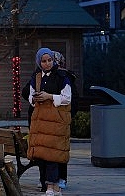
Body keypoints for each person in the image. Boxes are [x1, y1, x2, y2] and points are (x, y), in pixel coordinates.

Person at [27, 47, 72, 196]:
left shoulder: (61, 76)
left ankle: (54, 185)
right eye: (44, 61)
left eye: (49, 60)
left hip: (55, 122)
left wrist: (50, 96)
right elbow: (30, 95)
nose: (47, 63)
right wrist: (35, 98)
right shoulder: (37, 76)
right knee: (43, 156)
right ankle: (50, 185)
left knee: (53, 156)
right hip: (41, 122)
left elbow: (67, 98)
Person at [52, 51, 78, 191]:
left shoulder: (65, 77)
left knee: (60, 149)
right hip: (52, 120)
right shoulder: (45, 76)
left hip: (61, 120)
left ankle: (61, 178)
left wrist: (67, 116)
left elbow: (72, 100)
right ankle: (54, 178)